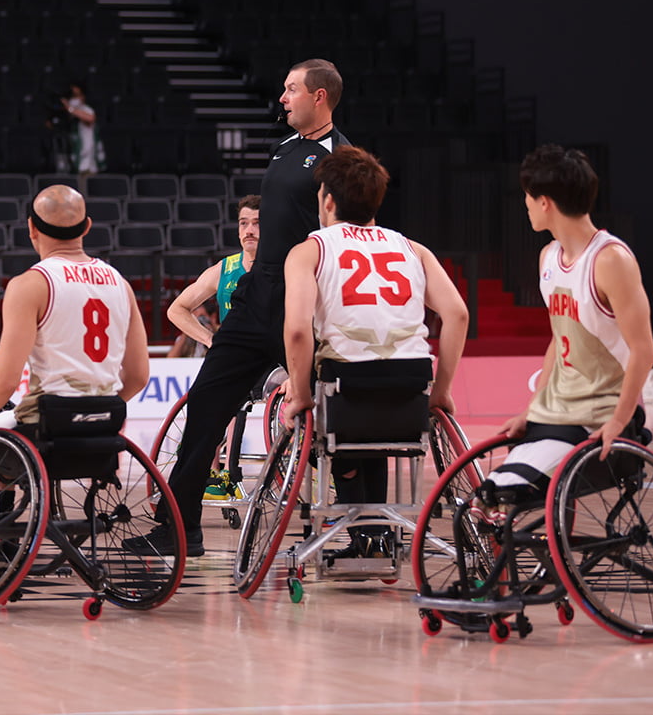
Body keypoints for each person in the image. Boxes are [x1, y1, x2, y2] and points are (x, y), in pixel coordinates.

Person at [144, 60, 348, 557]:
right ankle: (179, 528)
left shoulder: (339, 158)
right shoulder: (283, 150)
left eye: (291, 89)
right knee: (205, 407)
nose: (283, 97)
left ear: (319, 97)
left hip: (304, 302)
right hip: (256, 299)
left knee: (342, 416)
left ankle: (368, 533)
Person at [278, 146, 469, 550]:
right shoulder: (413, 249)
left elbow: (297, 332)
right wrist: (442, 390)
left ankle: (366, 527)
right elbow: (457, 315)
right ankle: (375, 531)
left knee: (316, 425)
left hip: (347, 385)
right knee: (376, 429)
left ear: (327, 200)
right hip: (411, 383)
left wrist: (297, 393)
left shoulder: (310, 249)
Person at [469, 145, 653, 521]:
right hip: (559, 411)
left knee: (504, 491)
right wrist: (530, 409)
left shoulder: (610, 260)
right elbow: (559, 337)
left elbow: (644, 350)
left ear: (545, 203)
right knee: (485, 500)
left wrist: (619, 422)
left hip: (600, 411)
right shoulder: (549, 257)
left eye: (527, 196)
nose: (524, 203)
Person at [0, 185, 149, 467]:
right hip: (106, 417)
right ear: (87, 227)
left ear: (31, 228)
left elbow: (5, 380)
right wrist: (96, 410)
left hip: (49, 419)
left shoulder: (31, 284)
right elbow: (138, 376)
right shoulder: (120, 284)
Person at [166, 194, 261, 355]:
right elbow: (176, 310)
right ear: (238, 231)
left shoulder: (284, 266)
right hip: (234, 359)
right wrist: (211, 340)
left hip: (272, 360)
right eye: (243, 223)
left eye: (257, 224)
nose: (249, 231)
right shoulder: (223, 269)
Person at [53, 82, 105, 177]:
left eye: (76, 96)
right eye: (72, 96)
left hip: (86, 165)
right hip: (71, 162)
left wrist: (70, 108)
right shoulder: (67, 116)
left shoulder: (85, 109)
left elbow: (91, 118)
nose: (74, 99)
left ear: (83, 97)